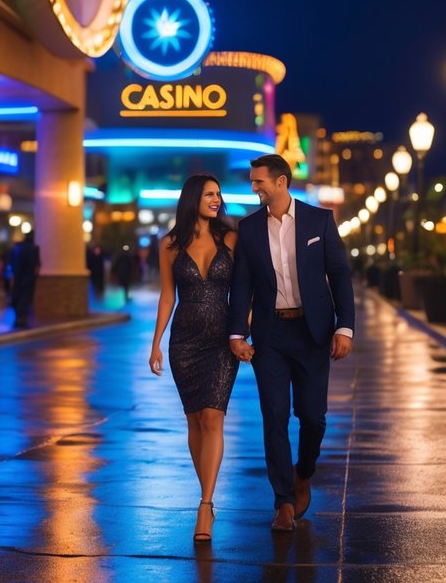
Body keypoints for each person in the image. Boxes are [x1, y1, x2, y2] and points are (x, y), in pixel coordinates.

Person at [228, 154, 355, 533]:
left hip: (313, 332)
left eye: (259, 182)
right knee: (275, 416)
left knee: (313, 417)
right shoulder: (249, 228)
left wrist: (344, 327)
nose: (254, 187)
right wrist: (237, 334)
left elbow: (340, 274)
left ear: (281, 182)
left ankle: (304, 472)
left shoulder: (319, 220)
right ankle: (283, 500)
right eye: (252, 182)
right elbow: (242, 283)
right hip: (271, 335)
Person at [149, 174, 239, 542]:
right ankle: (208, 497)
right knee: (194, 421)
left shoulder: (231, 238)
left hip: (221, 339)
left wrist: (244, 326)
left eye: (218, 194)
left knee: (212, 417)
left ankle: (205, 504)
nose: (216, 199)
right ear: (192, 199)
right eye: (209, 194)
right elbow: (167, 296)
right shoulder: (169, 244)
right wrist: (155, 343)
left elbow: (246, 288)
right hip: (183, 341)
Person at [10, 230, 41, 328]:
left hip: (18, 276)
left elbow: (12, 262)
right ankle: (22, 319)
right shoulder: (33, 249)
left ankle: (19, 318)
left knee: (18, 296)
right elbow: (35, 265)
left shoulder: (18, 248)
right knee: (25, 298)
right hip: (28, 278)